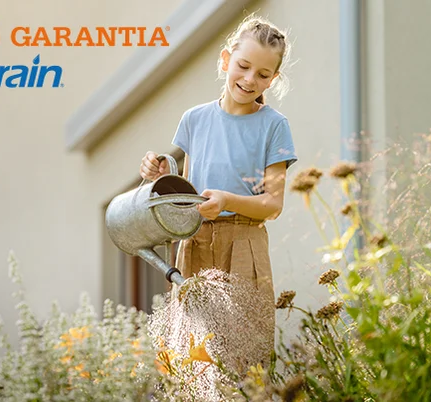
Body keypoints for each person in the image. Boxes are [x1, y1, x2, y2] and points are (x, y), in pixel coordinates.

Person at [139, 16, 297, 368]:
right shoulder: (194, 120)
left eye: (263, 74)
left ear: (274, 78)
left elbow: (272, 205)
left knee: (244, 362)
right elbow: (191, 194)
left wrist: (228, 200)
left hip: (245, 247)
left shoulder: (274, 127)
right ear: (226, 60)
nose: (249, 79)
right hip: (194, 245)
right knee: (193, 360)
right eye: (243, 66)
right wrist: (163, 175)